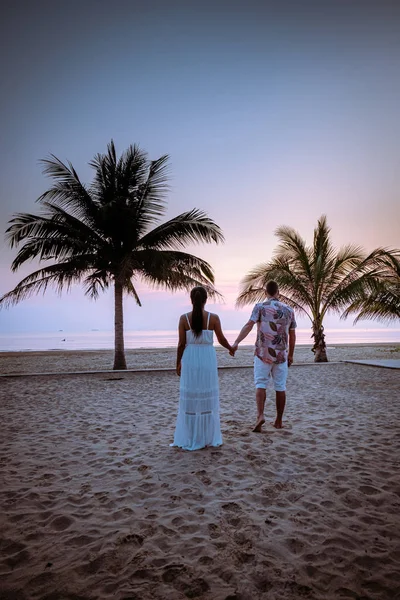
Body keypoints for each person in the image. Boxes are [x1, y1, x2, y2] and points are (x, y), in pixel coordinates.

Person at [171, 286, 233, 451]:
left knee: (190, 397)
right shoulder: (213, 318)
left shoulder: (184, 319)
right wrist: (231, 348)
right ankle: (206, 437)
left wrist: (178, 362)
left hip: (190, 358)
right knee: (206, 396)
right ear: (206, 300)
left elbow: (181, 344)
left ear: (192, 300)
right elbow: (221, 339)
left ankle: (191, 436)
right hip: (207, 359)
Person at [231, 280, 296, 432]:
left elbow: (249, 325)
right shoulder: (288, 309)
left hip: (262, 353)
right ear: (278, 292)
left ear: (266, 292)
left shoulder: (259, 307)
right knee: (280, 387)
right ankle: (279, 421)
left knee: (261, 384)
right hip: (281, 354)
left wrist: (236, 342)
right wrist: (291, 354)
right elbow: (292, 334)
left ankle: (260, 416)